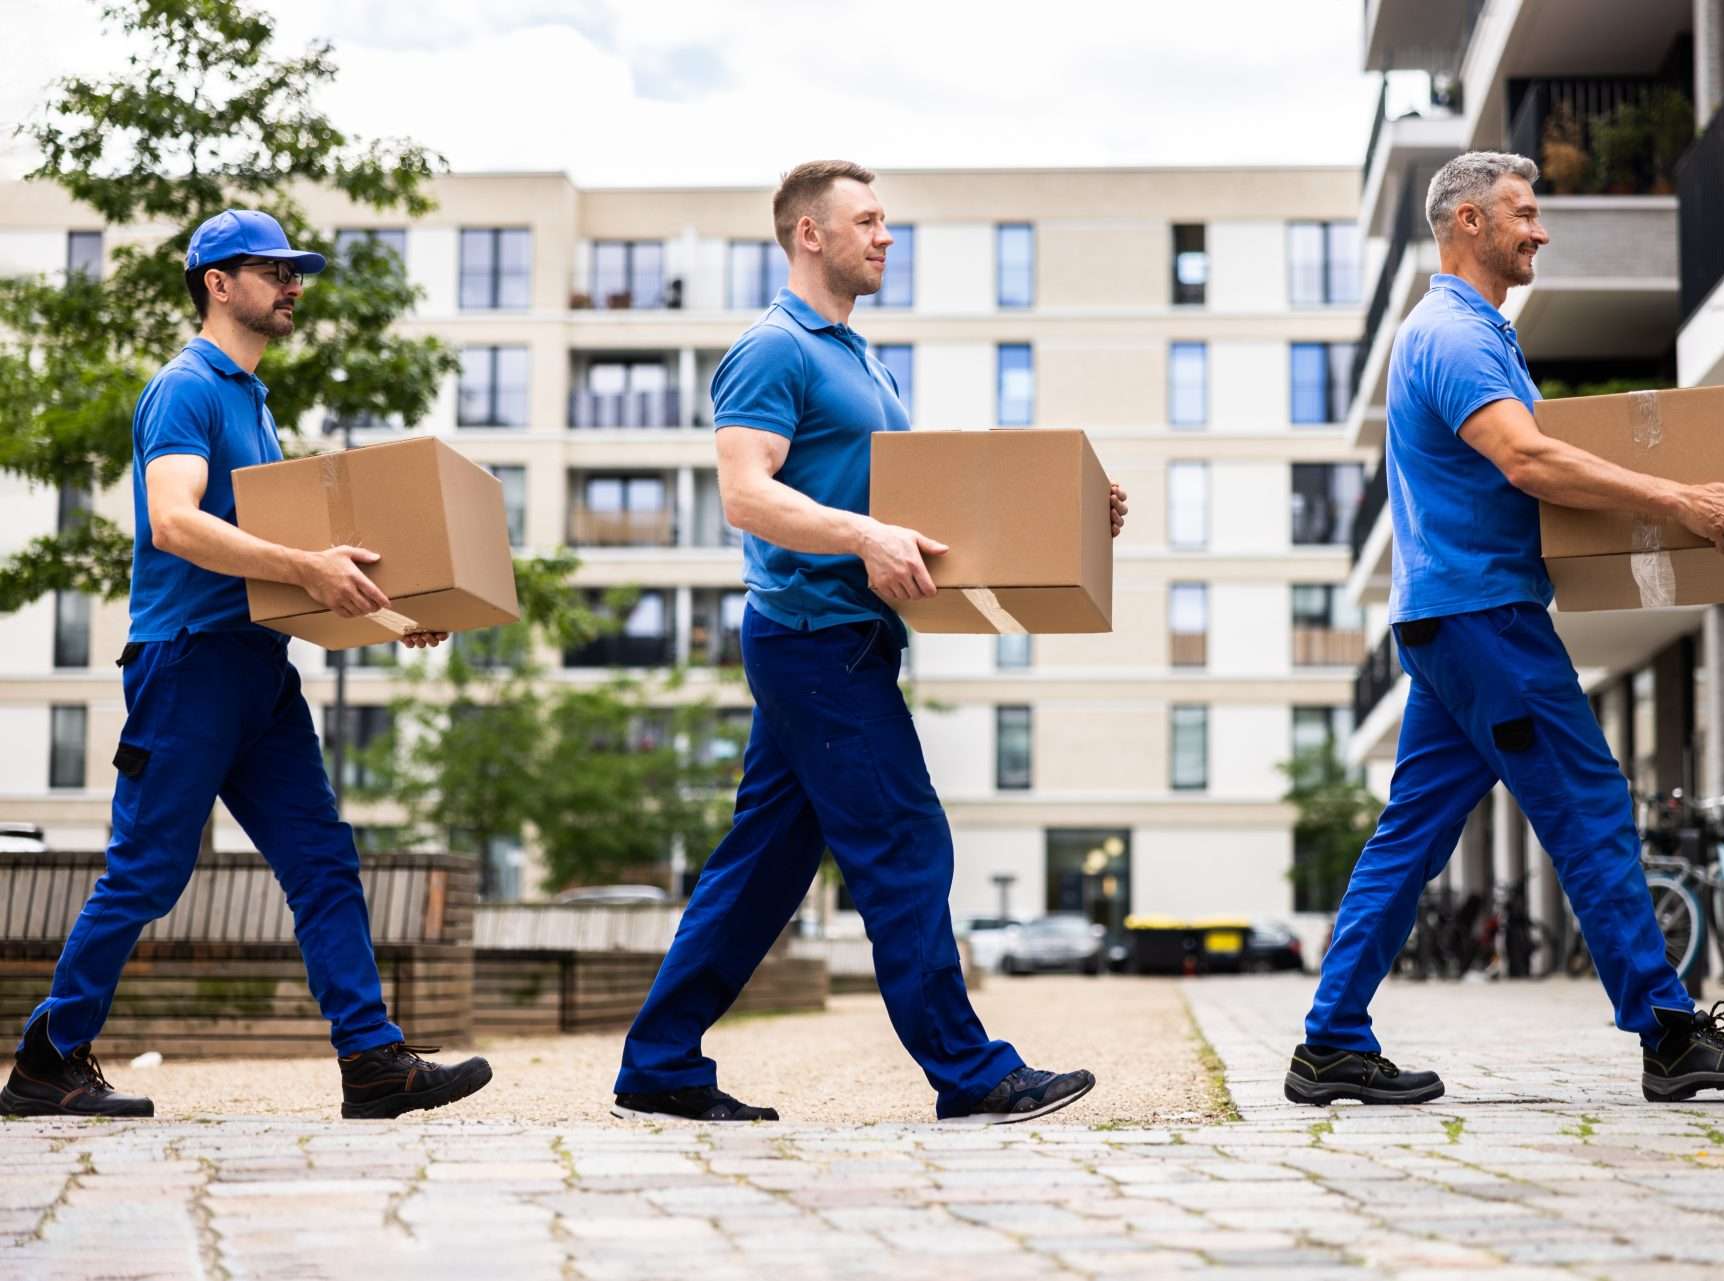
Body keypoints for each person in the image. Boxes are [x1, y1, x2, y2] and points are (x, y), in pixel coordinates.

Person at [613, 161, 1128, 1124]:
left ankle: (658, 1062)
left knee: (761, 868)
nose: (886, 236)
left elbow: (915, 507)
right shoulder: (775, 350)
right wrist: (861, 536)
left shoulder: (862, 361)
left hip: (841, 641)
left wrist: (1070, 518)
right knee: (905, 839)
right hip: (813, 638)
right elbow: (744, 493)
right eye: (868, 220)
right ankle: (971, 1074)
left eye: (887, 221)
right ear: (811, 234)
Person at [1288, 153, 1724, 1107]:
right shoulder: (1454, 336)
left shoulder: (1470, 334)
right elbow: (1526, 460)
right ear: (1470, 223)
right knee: (1592, 805)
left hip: (1454, 620)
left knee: (1410, 836)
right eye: (1524, 213)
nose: (1541, 230)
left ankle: (1329, 1041)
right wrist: (1676, 499)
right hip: (1485, 619)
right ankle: (1667, 1030)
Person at [1, 210, 492, 1121]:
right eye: (270, 270)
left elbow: (286, 563)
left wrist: (393, 617)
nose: (291, 283)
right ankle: (46, 1057)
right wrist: (310, 567)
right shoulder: (186, 388)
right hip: (187, 668)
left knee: (323, 863)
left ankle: (372, 1061)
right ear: (217, 284)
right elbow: (175, 523)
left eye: (294, 270)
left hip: (259, 670)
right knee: (148, 874)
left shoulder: (254, 403)